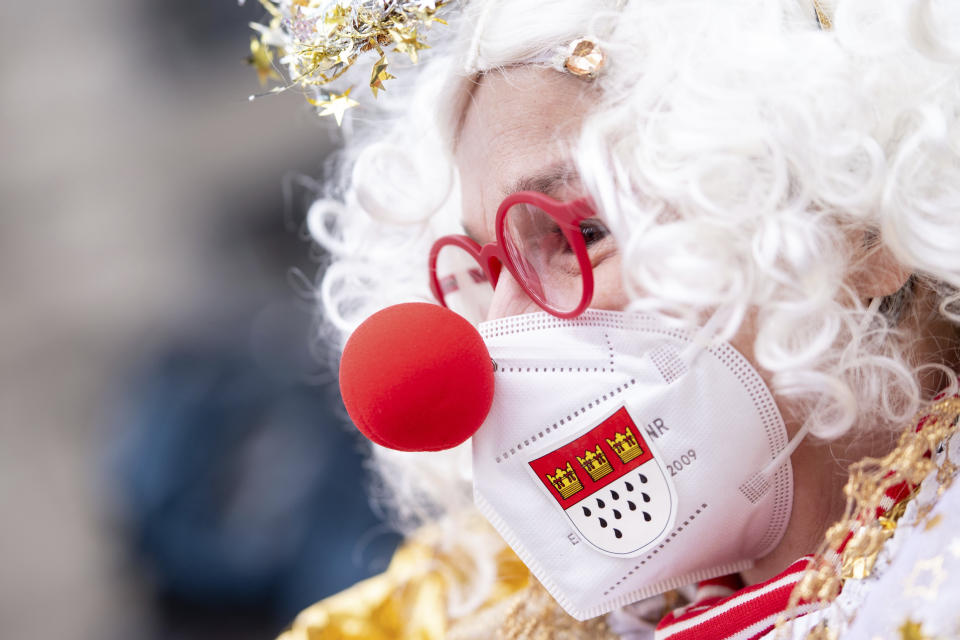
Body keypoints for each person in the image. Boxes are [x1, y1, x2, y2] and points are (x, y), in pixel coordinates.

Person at [248, 0, 960, 637]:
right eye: (488, 270)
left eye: (579, 234)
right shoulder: (460, 609)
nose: (499, 330)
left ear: (859, 234)